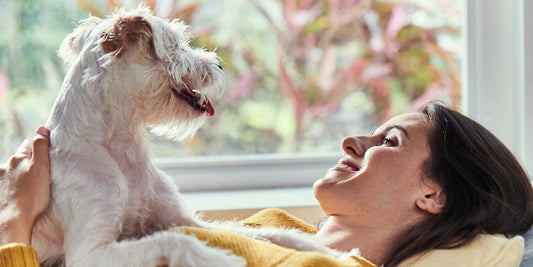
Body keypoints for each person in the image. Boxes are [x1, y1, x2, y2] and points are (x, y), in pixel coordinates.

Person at [1, 102, 532, 267]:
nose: (352, 142)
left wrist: (14, 223)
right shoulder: (272, 231)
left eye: (388, 142)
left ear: (433, 195)